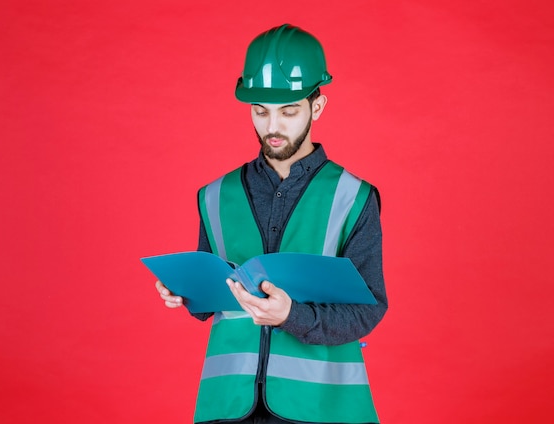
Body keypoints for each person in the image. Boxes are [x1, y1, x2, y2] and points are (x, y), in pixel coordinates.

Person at [155, 23, 388, 424]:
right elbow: (213, 297)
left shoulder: (354, 197)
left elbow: (367, 310)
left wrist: (291, 316)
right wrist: (184, 292)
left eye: (288, 110)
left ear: (317, 107)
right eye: (260, 111)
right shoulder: (214, 194)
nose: (273, 126)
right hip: (229, 403)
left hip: (318, 407)